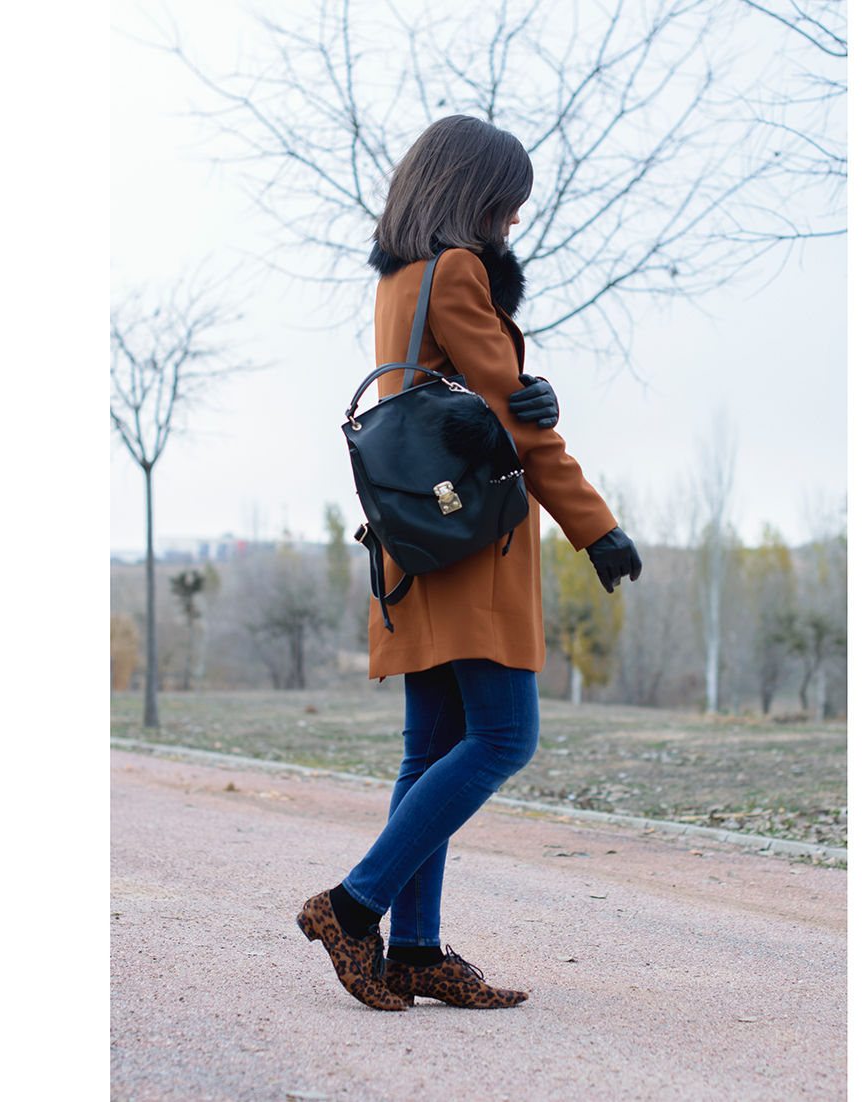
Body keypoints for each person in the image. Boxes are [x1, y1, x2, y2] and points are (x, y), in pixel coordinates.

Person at [296, 115, 642, 1012]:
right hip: (470, 544)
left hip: (418, 544)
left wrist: (519, 370)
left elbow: (464, 394)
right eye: (508, 205)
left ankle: (412, 952)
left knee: (432, 750)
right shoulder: (456, 272)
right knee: (503, 737)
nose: (513, 224)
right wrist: (596, 528)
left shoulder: (402, 276)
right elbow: (519, 427)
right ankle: (352, 904)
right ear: (473, 194)